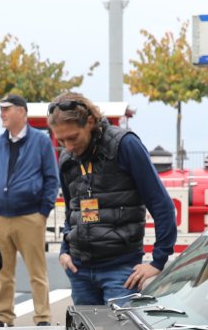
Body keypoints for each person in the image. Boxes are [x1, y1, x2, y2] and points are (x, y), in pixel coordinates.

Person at [49, 92, 177, 306]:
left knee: (120, 328)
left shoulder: (125, 145)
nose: (68, 147)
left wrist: (158, 262)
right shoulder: (67, 159)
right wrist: (64, 250)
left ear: (90, 122)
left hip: (121, 270)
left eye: (73, 138)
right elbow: (72, 211)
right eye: (61, 141)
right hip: (79, 270)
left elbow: (161, 205)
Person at [0, 93, 59, 327]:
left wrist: (43, 212)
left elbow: (52, 178)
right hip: (0, 216)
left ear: (21, 112)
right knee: (3, 272)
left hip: (30, 216)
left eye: (6, 109)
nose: (2, 114)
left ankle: (43, 318)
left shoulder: (41, 142)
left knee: (37, 271)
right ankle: (4, 316)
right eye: (1, 110)